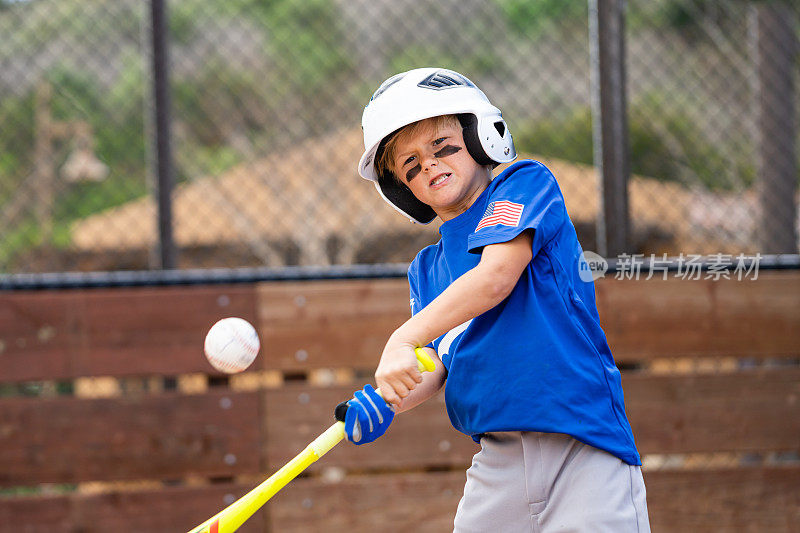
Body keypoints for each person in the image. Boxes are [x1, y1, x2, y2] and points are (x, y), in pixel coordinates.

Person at [338, 68, 650, 532]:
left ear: (483, 138)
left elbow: (496, 276)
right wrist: (390, 399)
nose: (430, 165)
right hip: (497, 465)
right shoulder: (427, 269)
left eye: (443, 147)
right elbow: (436, 362)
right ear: (404, 191)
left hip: (583, 447)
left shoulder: (524, 184)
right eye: (411, 165)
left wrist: (402, 338)